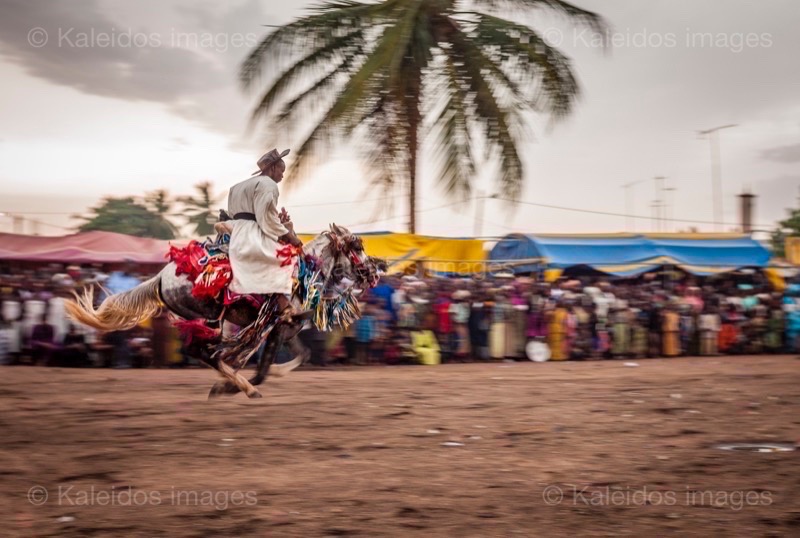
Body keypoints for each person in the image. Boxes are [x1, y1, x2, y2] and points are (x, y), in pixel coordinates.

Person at [225, 149, 303, 316]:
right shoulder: (269, 184)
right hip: (251, 232)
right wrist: (290, 237)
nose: (282, 176)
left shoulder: (238, 186)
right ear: (273, 168)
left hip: (236, 229)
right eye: (281, 171)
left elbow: (242, 212)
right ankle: (282, 302)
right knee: (282, 256)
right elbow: (265, 219)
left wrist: (278, 219)